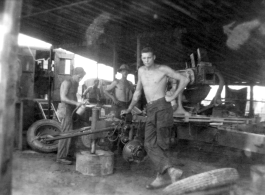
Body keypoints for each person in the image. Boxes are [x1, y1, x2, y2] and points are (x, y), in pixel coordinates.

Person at [121, 47, 190, 189]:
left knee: (161, 144)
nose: (146, 61)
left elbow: (184, 79)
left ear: (154, 57)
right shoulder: (140, 71)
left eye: (149, 58)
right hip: (150, 108)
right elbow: (138, 92)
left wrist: (174, 95)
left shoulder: (163, 69)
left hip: (163, 107)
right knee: (148, 144)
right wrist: (129, 108)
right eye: (144, 58)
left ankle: (160, 178)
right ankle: (170, 171)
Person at [56, 67, 86, 165]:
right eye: (79, 77)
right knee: (66, 133)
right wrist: (76, 103)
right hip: (65, 109)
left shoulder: (76, 83)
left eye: (81, 78)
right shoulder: (67, 82)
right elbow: (63, 98)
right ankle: (60, 157)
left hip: (71, 109)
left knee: (72, 133)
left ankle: (68, 154)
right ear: (75, 74)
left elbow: (73, 96)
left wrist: (80, 102)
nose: (80, 79)